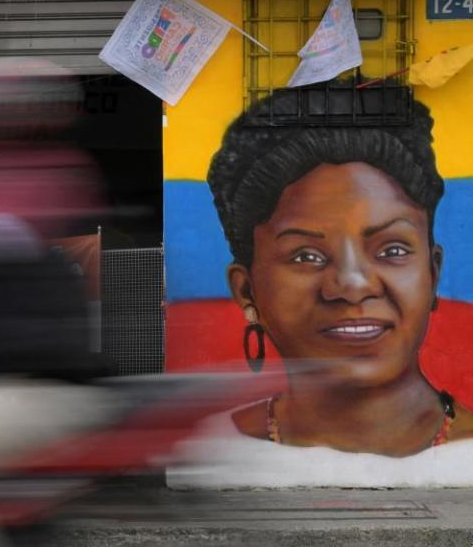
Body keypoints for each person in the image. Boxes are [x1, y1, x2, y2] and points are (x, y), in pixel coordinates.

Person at [168, 91, 473, 488]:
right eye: (306, 256)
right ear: (247, 292)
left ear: (433, 273)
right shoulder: (212, 457)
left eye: (392, 249)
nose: (351, 285)